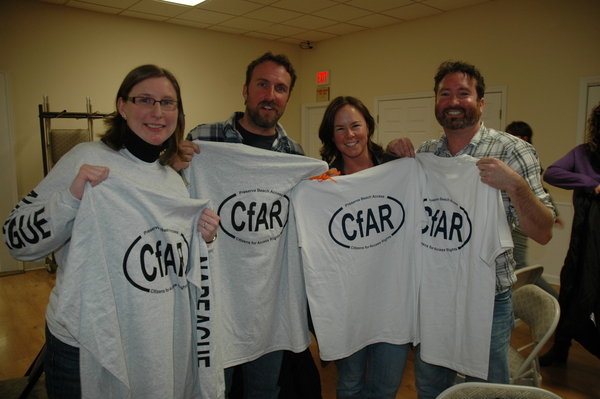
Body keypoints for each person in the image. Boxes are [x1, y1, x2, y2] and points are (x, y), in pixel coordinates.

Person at [3, 65, 219, 399]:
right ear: (122, 106)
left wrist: (202, 241)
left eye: (168, 103)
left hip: (149, 346)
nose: (157, 113)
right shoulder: (86, 159)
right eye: (145, 100)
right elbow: (15, 239)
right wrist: (71, 198)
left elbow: (170, 265)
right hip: (87, 342)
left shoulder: (173, 182)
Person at [388, 61, 555, 398]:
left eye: (463, 93)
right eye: (444, 93)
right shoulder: (425, 154)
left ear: (480, 103)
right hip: (433, 297)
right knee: (431, 386)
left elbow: (544, 232)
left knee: (489, 390)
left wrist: (515, 185)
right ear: (435, 102)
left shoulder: (511, 151)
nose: (453, 101)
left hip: (487, 299)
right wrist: (393, 157)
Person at [177, 52, 322, 399]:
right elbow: (173, 203)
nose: (270, 95)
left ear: (287, 97)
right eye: (262, 84)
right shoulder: (204, 141)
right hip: (217, 298)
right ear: (245, 90)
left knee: (264, 390)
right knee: (214, 389)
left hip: (269, 305)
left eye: (280, 88)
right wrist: (172, 164)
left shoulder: (296, 157)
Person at [317, 96, 407, 398]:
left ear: (368, 126)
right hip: (347, 304)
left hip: (392, 302)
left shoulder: (398, 169)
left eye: (355, 125)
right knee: (350, 383)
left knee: (386, 386)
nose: (350, 135)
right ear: (331, 136)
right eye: (340, 129)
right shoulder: (324, 183)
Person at [539, 102, 600, 366]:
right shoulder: (583, 154)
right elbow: (552, 173)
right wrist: (592, 184)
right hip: (583, 245)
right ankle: (560, 350)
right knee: (570, 294)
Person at [505, 121, 562, 299]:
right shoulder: (509, 155)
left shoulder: (526, 159)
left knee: (521, 267)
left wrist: (553, 213)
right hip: (509, 220)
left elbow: (537, 190)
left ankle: (557, 303)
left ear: (525, 139)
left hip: (521, 221)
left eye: (515, 136)